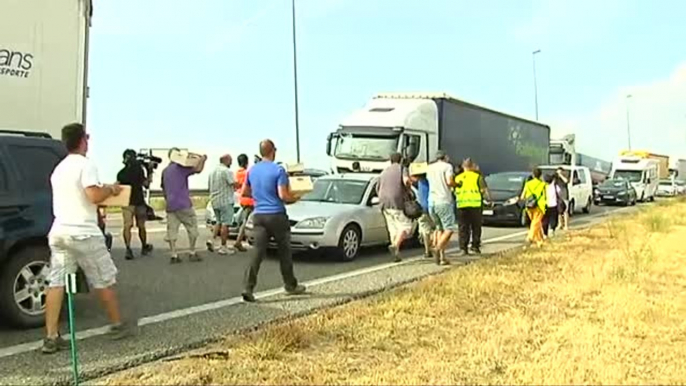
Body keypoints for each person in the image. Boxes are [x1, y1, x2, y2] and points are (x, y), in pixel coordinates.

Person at [43, 123, 133, 354]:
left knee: (57, 281)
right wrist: (111, 190)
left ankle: (51, 336)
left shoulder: (59, 169)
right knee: (103, 277)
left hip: (59, 231)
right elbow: (93, 195)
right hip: (83, 232)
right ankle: (117, 324)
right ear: (83, 140)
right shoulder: (86, 164)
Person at [241, 140, 306, 302]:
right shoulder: (278, 170)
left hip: (259, 215)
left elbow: (245, 192)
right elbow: (283, 195)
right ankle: (290, 285)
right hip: (277, 215)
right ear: (273, 151)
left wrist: (259, 196)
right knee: (284, 252)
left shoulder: (252, 170)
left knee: (257, 252)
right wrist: (296, 198)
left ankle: (247, 288)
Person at [161, 148, 207, 263]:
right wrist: (203, 159)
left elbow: (163, 187)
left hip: (170, 205)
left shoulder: (165, 171)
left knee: (172, 230)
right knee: (192, 227)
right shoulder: (181, 168)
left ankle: (173, 254)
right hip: (183, 203)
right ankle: (192, 252)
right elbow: (198, 169)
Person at [116, 149, 153, 260]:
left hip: (126, 202)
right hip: (139, 201)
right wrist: (149, 170)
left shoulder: (121, 173)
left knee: (127, 225)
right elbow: (146, 184)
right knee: (141, 225)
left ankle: (128, 248)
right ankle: (144, 246)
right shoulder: (139, 170)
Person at [377, 153, 413, 262]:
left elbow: (377, 187)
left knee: (392, 228)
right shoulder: (402, 168)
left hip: (384, 202)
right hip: (397, 201)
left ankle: (396, 254)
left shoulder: (384, 172)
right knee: (406, 226)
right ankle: (396, 245)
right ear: (401, 160)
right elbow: (406, 181)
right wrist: (409, 189)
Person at [454, 158, 491, 255]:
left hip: (462, 205)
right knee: (476, 227)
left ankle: (463, 248)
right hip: (475, 205)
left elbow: (453, 191)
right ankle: (475, 246)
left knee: (463, 228)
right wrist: (489, 200)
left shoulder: (458, 178)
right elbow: (484, 190)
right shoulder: (477, 177)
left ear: (463, 166)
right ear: (472, 166)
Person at [426, 150, 456, 265]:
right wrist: (457, 184)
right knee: (449, 228)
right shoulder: (447, 167)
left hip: (431, 202)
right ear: (445, 157)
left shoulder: (430, 167)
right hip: (443, 200)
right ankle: (438, 248)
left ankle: (442, 258)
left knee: (439, 228)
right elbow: (449, 182)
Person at [207, 154, 238, 255]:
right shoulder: (226, 171)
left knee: (218, 221)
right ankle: (223, 247)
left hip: (215, 200)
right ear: (226, 160)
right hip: (225, 200)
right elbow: (233, 183)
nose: (231, 163)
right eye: (230, 161)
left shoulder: (212, 172)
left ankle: (212, 240)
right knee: (226, 224)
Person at [520, 167, 547, 247]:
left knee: (535, 223)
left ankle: (540, 241)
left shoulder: (528, 184)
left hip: (529, 206)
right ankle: (530, 237)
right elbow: (546, 196)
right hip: (539, 206)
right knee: (536, 223)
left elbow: (522, 196)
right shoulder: (543, 184)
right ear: (540, 175)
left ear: (533, 174)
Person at [411, 168, 434, 258]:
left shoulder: (420, 183)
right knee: (434, 229)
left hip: (421, 208)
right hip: (431, 207)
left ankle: (427, 250)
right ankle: (435, 248)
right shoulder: (431, 182)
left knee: (425, 230)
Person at [233, 153, 253, 252]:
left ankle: (240, 240)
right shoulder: (247, 173)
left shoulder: (237, 173)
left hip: (242, 199)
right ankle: (238, 241)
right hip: (250, 199)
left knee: (246, 220)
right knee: (246, 221)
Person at [542, 173, 560, 238]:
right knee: (553, 218)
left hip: (545, 205)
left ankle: (545, 234)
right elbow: (559, 192)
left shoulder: (543, 187)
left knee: (545, 220)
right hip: (553, 205)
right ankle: (552, 229)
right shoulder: (555, 186)